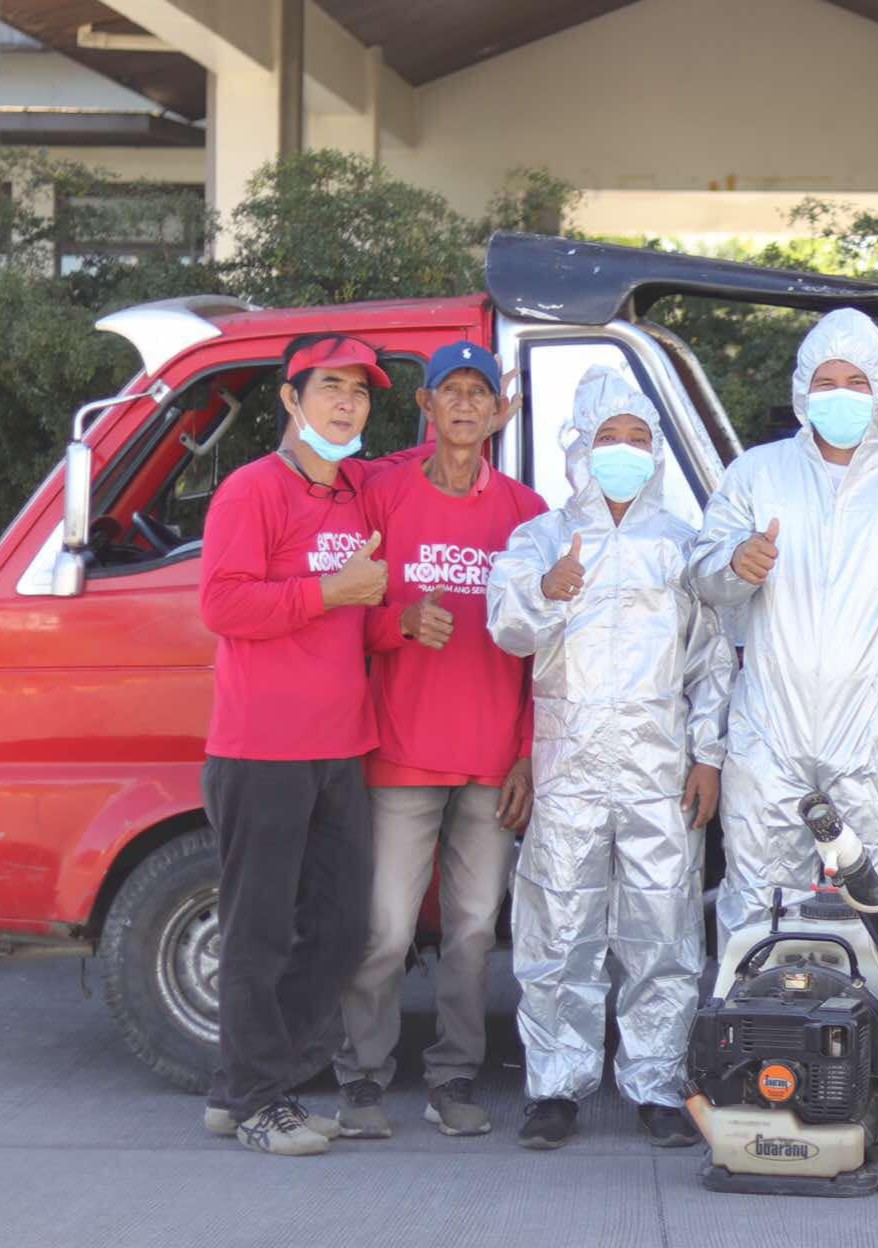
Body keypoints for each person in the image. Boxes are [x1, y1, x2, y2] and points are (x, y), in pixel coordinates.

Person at [488, 363, 733, 1151]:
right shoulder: (541, 538)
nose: (623, 450)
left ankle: (658, 1083)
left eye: (637, 438)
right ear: (579, 449)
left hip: (660, 764)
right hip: (568, 763)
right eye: (608, 438)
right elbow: (507, 632)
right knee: (558, 923)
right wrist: (548, 592)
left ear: (656, 451)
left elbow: (713, 661)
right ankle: (555, 1084)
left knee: (662, 927)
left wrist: (708, 756)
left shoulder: (680, 546)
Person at [689, 308, 878, 946]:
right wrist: (738, 563)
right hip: (769, 732)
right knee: (756, 904)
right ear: (801, 391)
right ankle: (757, 1045)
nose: (838, 395)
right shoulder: (757, 476)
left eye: (854, 381)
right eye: (824, 382)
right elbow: (702, 576)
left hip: (877, 736)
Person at [330, 341, 545, 1140]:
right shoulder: (382, 495)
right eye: (448, 392)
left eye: (477, 394)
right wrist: (399, 623)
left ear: (500, 412)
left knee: (473, 930)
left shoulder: (526, 514)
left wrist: (527, 747)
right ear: (425, 407)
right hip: (400, 751)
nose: (463, 405)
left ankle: (453, 1081)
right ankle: (361, 1081)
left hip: (493, 761)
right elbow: (343, 608)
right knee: (385, 927)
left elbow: (546, 650)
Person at [197, 334, 395, 1156]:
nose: (347, 403)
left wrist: (396, 621)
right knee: (259, 932)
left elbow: (358, 615)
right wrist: (332, 590)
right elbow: (224, 605)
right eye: (330, 387)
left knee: (344, 927)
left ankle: (246, 1088)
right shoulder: (251, 492)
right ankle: (256, 1101)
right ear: (290, 399)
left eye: (359, 391)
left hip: (341, 746)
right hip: (261, 749)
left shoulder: (355, 495)